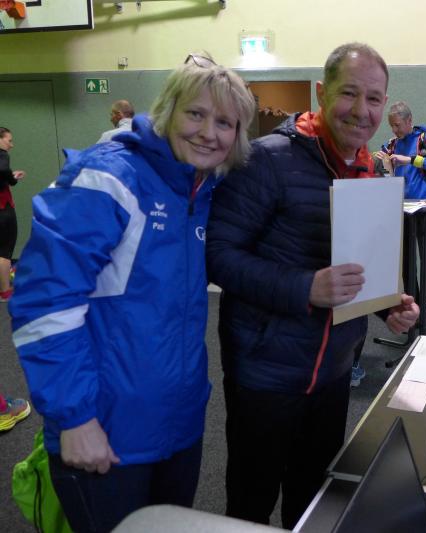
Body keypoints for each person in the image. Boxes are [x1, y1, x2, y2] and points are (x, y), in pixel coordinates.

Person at [9, 53, 255, 533]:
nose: (209, 132)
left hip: (179, 427)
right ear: (168, 110)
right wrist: (75, 418)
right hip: (104, 432)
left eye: (225, 122)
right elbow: (44, 303)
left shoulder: (203, 190)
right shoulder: (109, 178)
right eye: (196, 113)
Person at [205, 42, 420, 529]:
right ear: (322, 93)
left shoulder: (368, 167)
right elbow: (217, 256)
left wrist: (387, 304)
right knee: (251, 504)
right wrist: (304, 288)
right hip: (266, 373)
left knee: (313, 501)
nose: (362, 110)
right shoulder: (265, 159)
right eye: (349, 94)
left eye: (374, 99)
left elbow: (357, 267)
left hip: (334, 373)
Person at [375, 101, 426, 338]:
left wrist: (410, 160)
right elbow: (378, 165)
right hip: (402, 212)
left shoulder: (425, 138)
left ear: (409, 121)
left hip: (425, 212)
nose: (394, 130)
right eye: (391, 126)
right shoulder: (392, 144)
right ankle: (416, 315)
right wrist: (380, 161)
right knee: (407, 267)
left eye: (397, 125)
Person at [0, 126, 24, 302]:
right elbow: (2, 169)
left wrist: (10, 177)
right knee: (4, 251)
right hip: (3, 209)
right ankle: (5, 291)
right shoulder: (2, 155)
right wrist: (12, 178)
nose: (11, 145)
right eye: (9, 140)